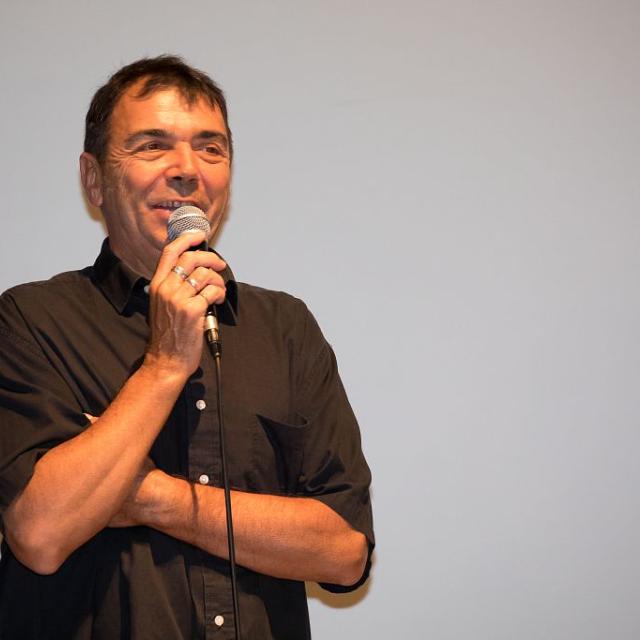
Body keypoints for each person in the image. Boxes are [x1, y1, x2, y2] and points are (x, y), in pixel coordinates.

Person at [0, 56, 374, 639]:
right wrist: (164, 364)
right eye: (153, 146)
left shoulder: (286, 327)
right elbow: (41, 534)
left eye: (211, 148)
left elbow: (344, 552)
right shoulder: (29, 319)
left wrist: (150, 497)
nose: (187, 171)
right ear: (94, 179)